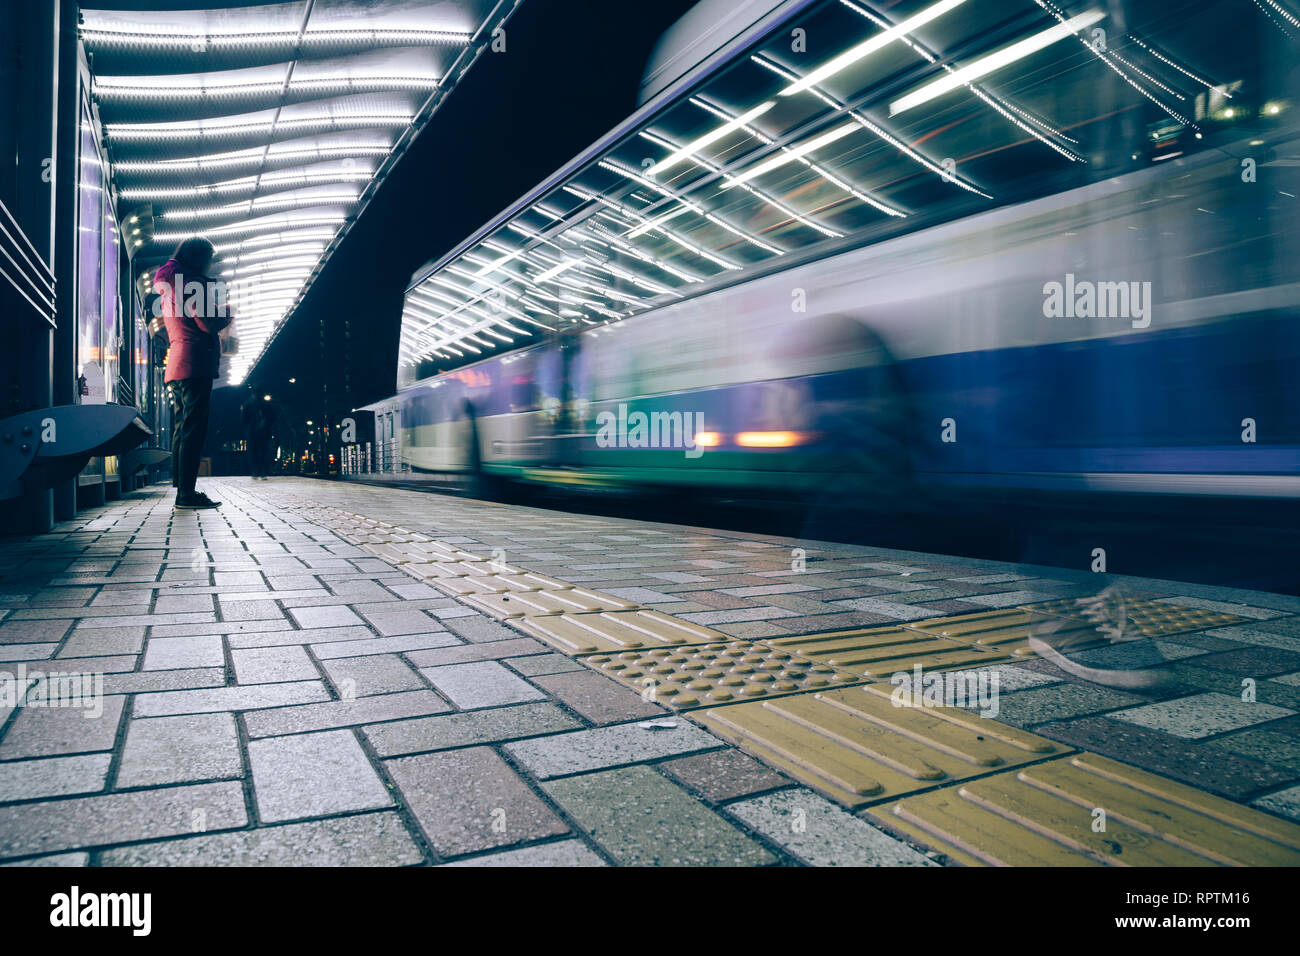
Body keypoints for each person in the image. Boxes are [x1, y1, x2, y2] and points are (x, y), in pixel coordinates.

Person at [155, 237, 231, 509]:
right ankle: (186, 493)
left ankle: (181, 487)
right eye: (210, 257)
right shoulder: (191, 283)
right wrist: (227, 312)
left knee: (182, 427)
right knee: (193, 430)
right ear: (199, 256)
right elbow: (208, 323)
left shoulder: (171, 282)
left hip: (177, 363)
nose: (211, 263)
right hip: (194, 362)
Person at [241, 390, 275, 480]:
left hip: (257, 432)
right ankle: (259, 472)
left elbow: (244, 419)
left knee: (258, 452)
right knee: (260, 452)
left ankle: (258, 472)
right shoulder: (263, 404)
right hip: (257, 432)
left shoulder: (249, 404)